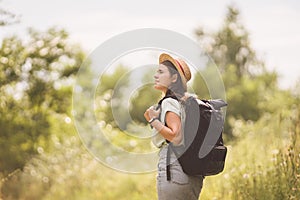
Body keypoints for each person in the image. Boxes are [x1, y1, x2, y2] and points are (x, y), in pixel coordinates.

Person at [144, 53, 204, 200]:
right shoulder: (186, 102)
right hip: (193, 173)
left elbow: (175, 136)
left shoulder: (169, 102)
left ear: (174, 78)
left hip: (174, 169)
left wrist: (153, 121)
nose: (155, 76)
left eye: (161, 72)